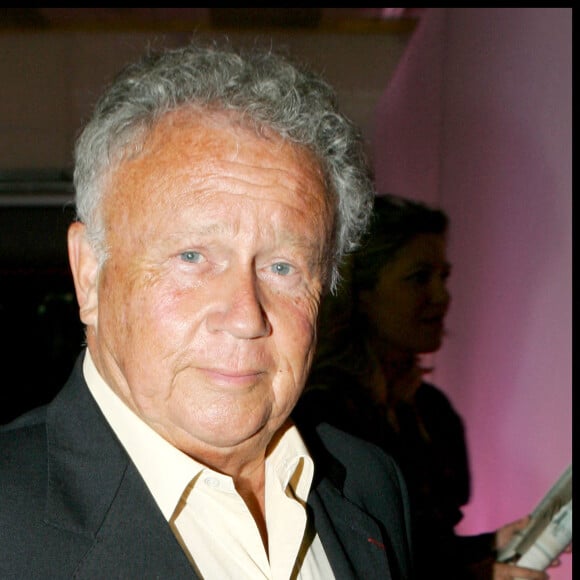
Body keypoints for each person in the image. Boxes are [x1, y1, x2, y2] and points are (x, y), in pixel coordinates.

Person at [0, 41, 414, 579]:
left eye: (283, 267)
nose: (245, 316)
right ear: (90, 274)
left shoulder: (370, 485)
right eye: (192, 256)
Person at [294, 194, 553, 580]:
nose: (441, 296)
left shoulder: (432, 410)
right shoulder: (323, 416)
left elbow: (429, 548)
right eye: (419, 278)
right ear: (362, 291)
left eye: (443, 277)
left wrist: (492, 545)